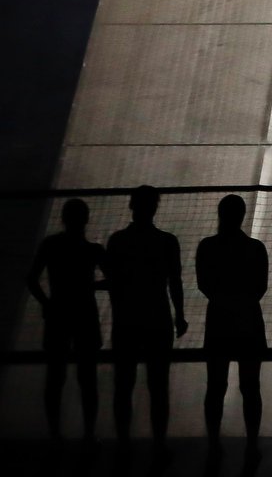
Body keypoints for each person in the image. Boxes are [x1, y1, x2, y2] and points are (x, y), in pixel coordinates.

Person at [106, 185, 188, 454]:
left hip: (127, 320)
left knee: (124, 384)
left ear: (131, 205)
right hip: (157, 318)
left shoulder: (118, 241)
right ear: (155, 207)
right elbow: (174, 282)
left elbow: (114, 283)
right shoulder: (166, 242)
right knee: (158, 385)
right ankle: (159, 442)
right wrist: (180, 316)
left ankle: (122, 442)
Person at [26, 198, 107, 441]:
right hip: (85, 314)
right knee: (87, 379)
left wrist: (47, 303)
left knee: (56, 378)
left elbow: (32, 279)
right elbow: (115, 279)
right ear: (86, 219)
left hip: (59, 314)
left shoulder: (51, 245)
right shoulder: (93, 250)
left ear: (63, 218)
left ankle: (55, 433)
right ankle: (89, 434)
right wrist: (90, 285)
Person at [196, 194, 268, 459]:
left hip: (219, 322)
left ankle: (214, 443)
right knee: (251, 386)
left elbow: (204, 283)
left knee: (215, 385)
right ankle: (251, 443)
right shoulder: (255, 248)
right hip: (249, 321)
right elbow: (260, 286)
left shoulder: (207, 247)